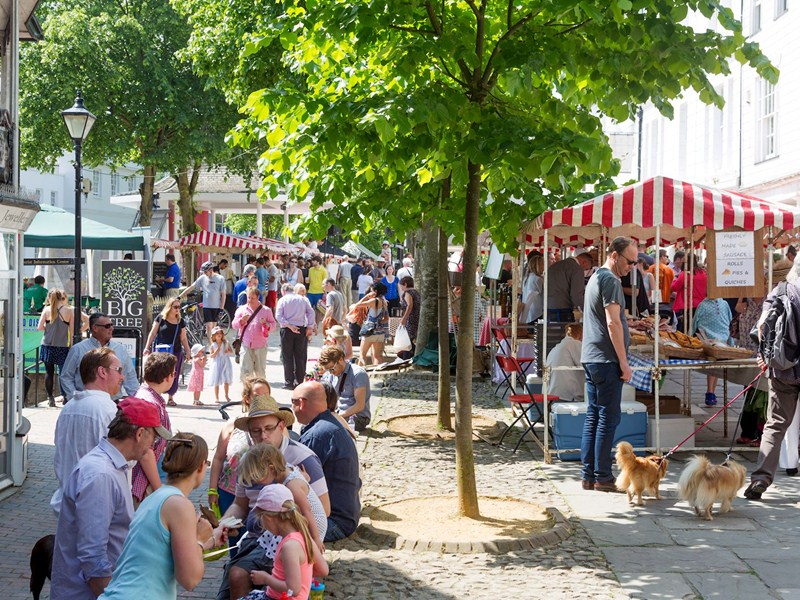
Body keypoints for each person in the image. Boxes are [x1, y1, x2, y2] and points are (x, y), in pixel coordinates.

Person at [51, 397, 172, 600]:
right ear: (140, 434)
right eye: (154, 438)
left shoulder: (110, 468)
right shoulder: (101, 475)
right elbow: (93, 555)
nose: (152, 446)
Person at [216, 394, 329, 600]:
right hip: (259, 537)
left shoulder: (303, 458)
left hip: (289, 535)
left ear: (281, 426)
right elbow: (239, 504)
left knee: (239, 575)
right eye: (256, 431)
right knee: (230, 583)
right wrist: (224, 523)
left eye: (268, 428)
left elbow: (321, 509)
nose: (263, 436)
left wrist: (306, 537)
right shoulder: (249, 459)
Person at [99, 433, 227, 599]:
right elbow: (190, 579)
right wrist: (200, 540)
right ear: (201, 466)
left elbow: (165, 550)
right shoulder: (180, 505)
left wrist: (211, 540)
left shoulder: (155, 497)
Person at [580, 236, 636, 493]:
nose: (631, 267)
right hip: (605, 359)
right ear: (614, 255)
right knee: (607, 418)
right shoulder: (610, 280)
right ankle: (602, 476)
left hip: (592, 356)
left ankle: (589, 475)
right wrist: (624, 363)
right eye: (629, 261)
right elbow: (613, 323)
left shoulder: (596, 276)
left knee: (594, 416)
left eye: (634, 263)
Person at [744, 256, 800, 500]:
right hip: (784, 369)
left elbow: (762, 326)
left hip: (783, 369)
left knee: (775, 425)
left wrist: (764, 356)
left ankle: (761, 479)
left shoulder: (781, 291)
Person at [50, 348, 125, 515]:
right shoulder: (108, 410)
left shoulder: (68, 408)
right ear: (102, 372)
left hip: (68, 503)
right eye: (118, 370)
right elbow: (121, 459)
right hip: (96, 505)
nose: (122, 376)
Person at [292, 381, 360, 542]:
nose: (292, 408)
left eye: (293, 402)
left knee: (275, 527)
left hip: (335, 522)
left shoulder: (318, 435)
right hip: (345, 515)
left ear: (301, 403)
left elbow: (297, 483)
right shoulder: (327, 425)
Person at [243, 484, 329, 600]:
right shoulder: (304, 534)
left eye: (261, 520)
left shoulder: (289, 546)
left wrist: (265, 579)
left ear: (268, 518)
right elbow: (323, 569)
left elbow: (293, 590)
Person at [238, 444, 327, 555]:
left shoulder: (292, 485)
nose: (256, 483)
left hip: (314, 523)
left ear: (270, 469)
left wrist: (315, 539)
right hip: (302, 517)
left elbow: (307, 511)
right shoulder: (286, 469)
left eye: (258, 478)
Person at [208, 377, 263, 556]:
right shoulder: (232, 424)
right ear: (247, 398)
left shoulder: (274, 428)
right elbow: (218, 458)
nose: (261, 399)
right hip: (229, 492)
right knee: (233, 539)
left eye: (266, 395)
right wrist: (212, 490)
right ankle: (234, 569)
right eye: (257, 395)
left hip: (260, 493)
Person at [129, 352, 177, 508]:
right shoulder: (150, 403)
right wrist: (158, 490)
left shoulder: (150, 397)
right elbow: (145, 452)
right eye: (174, 373)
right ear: (168, 377)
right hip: (144, 483)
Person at [60, 313, 139, 402]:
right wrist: (74, 398)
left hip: (112, 404)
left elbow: (130, 377)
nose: (111, 329)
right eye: (107, 326)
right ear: (95, 328)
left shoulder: (121, 350)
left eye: (112, 325)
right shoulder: (77, 349)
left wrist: (139, 402)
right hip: (86, 402)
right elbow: (66, 376)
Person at [38, 288, 88, 406]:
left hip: (47, 345)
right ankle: (65, 397)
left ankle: (50, 398)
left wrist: (48, 328)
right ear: (62, 297)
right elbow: (71, 330)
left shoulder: (46, 310)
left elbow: (39, 327)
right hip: (62, 346)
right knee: (63, 372)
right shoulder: (68, 311)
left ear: (50, 298)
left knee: (49, 372)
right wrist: (71, 345)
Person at [143, 298, 191, 407]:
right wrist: (147, 347)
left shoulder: (180, 322)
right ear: (169, 307)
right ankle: (156, 395)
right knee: (158, 373)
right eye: (175, 307)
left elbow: (183, 338)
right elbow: (153, 333)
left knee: (173, 374)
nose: (178, 309)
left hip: (175, 351)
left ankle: (170, 397)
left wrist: (188, 351)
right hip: (160, 352)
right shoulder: (160, 319)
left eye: (179, 307)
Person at [690, 296, 733, 406]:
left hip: (717, 338)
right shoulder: (707, 304)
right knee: (715, 365)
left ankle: (711, 392)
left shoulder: (721, 304)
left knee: (716, 365)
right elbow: (729, 321)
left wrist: (690, 335)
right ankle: (710, 392)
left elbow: (695, 322)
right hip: (711, 339)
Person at [319, 346, 371, 432]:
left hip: (358, 417)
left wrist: (337, 417)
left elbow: (360, 405)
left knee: (327, 426)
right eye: (328, 370)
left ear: (340, 359)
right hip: (338, 412)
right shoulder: (330, 374)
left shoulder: (358, 374)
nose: (331, 372)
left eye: (332, 369)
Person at [276, 282, 316, 390]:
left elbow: (278, 316)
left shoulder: (282, 300)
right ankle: (299, 381)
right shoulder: (302, 299)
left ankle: (289, 382)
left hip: (287, 329)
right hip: (301, 329)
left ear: (283, 291)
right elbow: (311, 313)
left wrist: (289, 325)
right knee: (300, 356)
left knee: (287, 356)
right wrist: (310, 326)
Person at [233, 287, 277, 381]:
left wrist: (267, 324)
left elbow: (274, 325)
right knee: (246, 372)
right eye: (249, 297)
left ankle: (260, 393)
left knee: (260, 373)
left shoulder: (266, 310)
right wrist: (241, 321)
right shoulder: (241, 309)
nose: (250, 300)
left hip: (260, 345)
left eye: (253, 298)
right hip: (246, 345)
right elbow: (234, 325)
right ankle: (247, 393)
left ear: (258, 298)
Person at [178, 261, 226, 343]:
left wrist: (221, 308)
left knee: (214, 327)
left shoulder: (220, 278)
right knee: (209, 326)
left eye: (205, 271)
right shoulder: (202, 278)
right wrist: (180, 297)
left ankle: (214, 344)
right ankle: (211, 345)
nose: (204, 273)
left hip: (216, 306)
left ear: (211, 269)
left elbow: (223, 294)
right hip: (207, 305)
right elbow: (191, 287)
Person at [545, 323, 584, 402]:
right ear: (581, 335)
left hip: (550, 393)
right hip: (566, 395)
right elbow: (585, 364)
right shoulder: (574, 344)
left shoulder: (557, 347)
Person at [547, 254, 591, 322]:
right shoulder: (576, 268)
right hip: (563, 309)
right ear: (584, 262)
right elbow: (576, 294)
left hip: (548, 306)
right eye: (586, 268)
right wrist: (586, 310)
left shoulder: (555, 265)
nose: (585, 271)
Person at [354, 282, 389, 366]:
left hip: (369, 331)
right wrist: (378, 322)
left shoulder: (373, 301)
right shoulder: (384, 301)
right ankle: (377, 373)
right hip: (380, 332)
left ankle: (360, 372)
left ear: (375, 291)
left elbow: (357, 305)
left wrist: (366, 296)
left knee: (362, 355)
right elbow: (386, 318)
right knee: (377, 356)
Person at [671, 256, 707, 329]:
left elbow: (674, 287)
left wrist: (674, 279)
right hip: (702, 304)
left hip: (688, 304)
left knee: (686, 327)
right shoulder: (703, 272)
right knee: (697, 327)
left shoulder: (685, 273)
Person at [209, 326, 235, 403]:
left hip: (225, 362)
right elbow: (211, 355)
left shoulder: (226, 343)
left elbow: (231, 351)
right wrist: (216, 351)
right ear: (214, 336)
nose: (219, 335)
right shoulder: (213, 345)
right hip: (217, 362)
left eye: (220, 333)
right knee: (216, 379)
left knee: (226, 379)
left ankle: (226, 395)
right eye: (217, 334)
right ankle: (217, 397)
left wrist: (227, 351)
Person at [398, 276, 420, 360]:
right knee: (409, 341)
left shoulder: (408, 293)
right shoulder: (416, 292)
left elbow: (409, 305)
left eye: (401, 286)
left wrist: (404, 318)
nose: (401, 288)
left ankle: (406, 359)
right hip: (416, 318)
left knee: (407, 341)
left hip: (410, 319)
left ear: (405, 284)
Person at [520, 253, 544, 325]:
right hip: (536, 311)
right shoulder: (538, 279)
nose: (544, 267)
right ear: (538, 265)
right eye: (542, 264)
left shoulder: (527, 277)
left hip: (528, 311)